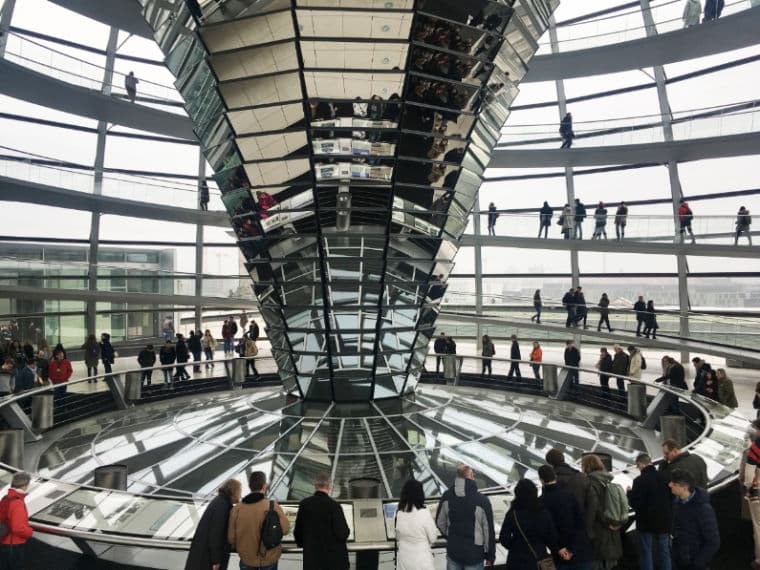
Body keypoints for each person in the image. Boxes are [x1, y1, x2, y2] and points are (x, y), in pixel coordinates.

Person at [435, 464, 496, 569]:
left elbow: (440, 522)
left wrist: (450, 536)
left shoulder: (446, 496)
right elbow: (488, 530)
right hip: (475, 555)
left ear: (457, 476)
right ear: (471, 475)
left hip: (453, 552)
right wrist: (490, 555)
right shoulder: (482, 500)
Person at [228, 472, 289, 570]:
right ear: (264, 486)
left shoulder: (237, 509)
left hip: (247, 561)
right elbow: (285, 530)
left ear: (249, 486)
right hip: (269, 560)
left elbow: (231, 538)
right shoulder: (273, 506)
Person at [538, 465, 593, 570]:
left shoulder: (540, 502)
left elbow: (545, 531)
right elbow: (580, 523)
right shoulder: (569, 495)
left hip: (559, 556)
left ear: (541, 480)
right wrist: (571, 549)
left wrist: (558, 548)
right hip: (581, 552)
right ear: (555, 477)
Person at [293, 473, 350, 570]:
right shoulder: (334, 506)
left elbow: (298, 532)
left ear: (315, 486)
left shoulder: (304, 505)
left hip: (312, 561)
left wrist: (303, 544)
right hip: (334, 562)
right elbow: (342, 533)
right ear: (330, 487)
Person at [498, 479, 558, 570]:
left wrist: (515, 546)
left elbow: (503, 538)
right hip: (539, 559)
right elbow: (552, 537)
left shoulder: (513, 513)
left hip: (516, 561)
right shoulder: (543, 512)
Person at [627, 454, 672, 570]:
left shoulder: (639, 481)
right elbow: (671, 498)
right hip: (663, 521)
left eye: (638, 466)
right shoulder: (665, 477)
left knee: (646, 552)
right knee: (664, 551)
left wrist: (629, 494)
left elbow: (636, 504)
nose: (639, 468)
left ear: (641, 464)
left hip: (646, 523)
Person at [185, 479, 241, 570]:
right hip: (207, 560)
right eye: (239, 492)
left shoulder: (219, 501)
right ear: (233, 491)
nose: (240, 495)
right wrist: (216, 560)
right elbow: (216, 534)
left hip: (202, 555)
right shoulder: (223, 506)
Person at [668, 470, 720, 570]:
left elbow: (713, 542)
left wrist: (697, 564)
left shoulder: (703, 510)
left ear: (684, 488)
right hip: (678, 558)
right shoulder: (677, 502)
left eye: (674, 484)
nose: (669, 485)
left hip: (693, 562)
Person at [582, 454, 623, 570]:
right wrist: (614, 523)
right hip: (613, 527)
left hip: (599, 530)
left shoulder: (590, 483)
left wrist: (606, 523)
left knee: (598, 563)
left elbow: (596, 507)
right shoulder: (608, 480)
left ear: (587, 467)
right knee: (610, 563)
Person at [545, 448, 594, 539]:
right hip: (582, 531)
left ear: (550, 463)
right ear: (563, 458)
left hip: (561, 533)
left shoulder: (552, 482)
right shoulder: (582, 477)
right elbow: (592, 504)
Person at [395, 479, 438, 570]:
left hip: (404, 558)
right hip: (421, 559)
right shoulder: (424, 513)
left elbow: (398, 536)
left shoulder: (399, 513)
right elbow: (433, 537)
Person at [0, 472, 34, 567]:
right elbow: (17, 528)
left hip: (3, 540)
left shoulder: (6, 498)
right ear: (24, 486)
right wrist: (30, 532)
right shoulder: (17, 503)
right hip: (14, 544)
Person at [744, 419, 760, 570]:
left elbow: (749, 472)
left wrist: (749, 488)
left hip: (758, 489)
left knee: (758, 526)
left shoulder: (756, 447)